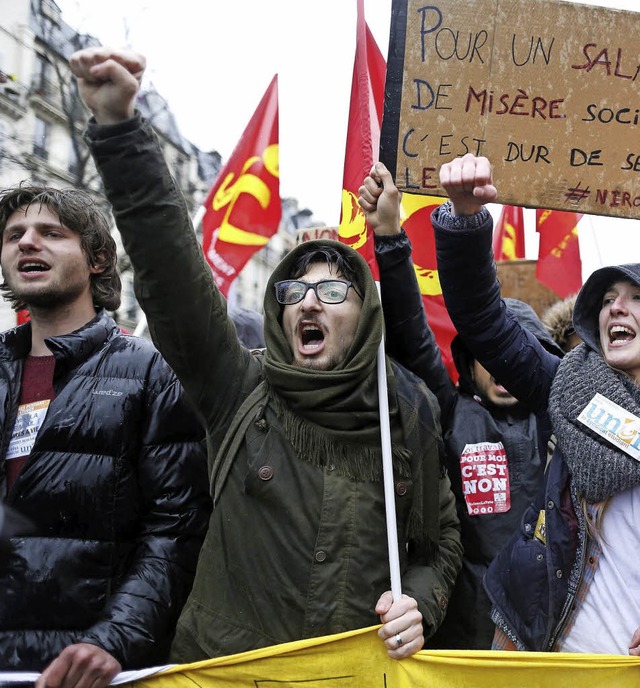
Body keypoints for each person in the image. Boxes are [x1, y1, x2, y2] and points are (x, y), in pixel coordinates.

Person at [68, 46, 463, 662]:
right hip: (222, 672)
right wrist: (120, 132)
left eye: (332, 290)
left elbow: (438, 545)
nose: (309, 303)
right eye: (294, 291)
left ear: (364, 314)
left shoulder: (406, 412)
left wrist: (419, 604)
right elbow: (174, 275)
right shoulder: (240, 387)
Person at [429, 152, 640, 655]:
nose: (616, 305)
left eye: (636, 297)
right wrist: (465, 220)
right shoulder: (568, 388)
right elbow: (483, 319)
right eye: (608, 297)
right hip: (550, 656)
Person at [0, 183, 211, 684]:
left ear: (97, 260)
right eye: (14, 235)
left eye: (51, 232)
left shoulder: (148, 373)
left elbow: (174, 531)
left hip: (81, 670)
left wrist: (114, 639)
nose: (28, 243)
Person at [359, 162, 563, 649]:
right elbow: (410, 330)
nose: (501, 371)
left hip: (552, 631)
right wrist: (389, 235)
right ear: (468, 367)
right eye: (486, 360)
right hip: (464, 633)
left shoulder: (557, 417)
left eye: (510, 358)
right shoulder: (449, 412)